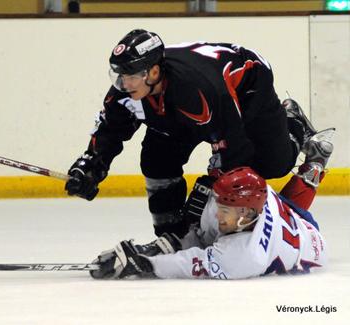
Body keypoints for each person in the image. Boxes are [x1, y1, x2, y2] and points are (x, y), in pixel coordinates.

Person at [65, 29, 328, 237]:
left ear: (154, 71)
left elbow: (234, 149)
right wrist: (92, 165)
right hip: (181, 106)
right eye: (119, 75)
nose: (123, 83)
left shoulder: (198, 92)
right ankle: (170, 232)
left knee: (272, 165)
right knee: (157, 159)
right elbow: (111, 129)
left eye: (131, 75)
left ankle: (293, 123)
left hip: (247, 84)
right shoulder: (128, 90)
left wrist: (214, 189)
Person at [89, 130, 334, 280]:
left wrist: (144, 263)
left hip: (309, 243)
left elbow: (189, 264)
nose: (219, 215)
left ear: (247, 213)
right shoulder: (248, 198)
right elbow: (198, 236)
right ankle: (313, 165)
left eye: (225, 211)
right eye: (221, 207)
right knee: (207, 193)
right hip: (287, 215)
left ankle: (311, 163)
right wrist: (167, 243)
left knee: (294, 213)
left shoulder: (243, 257)